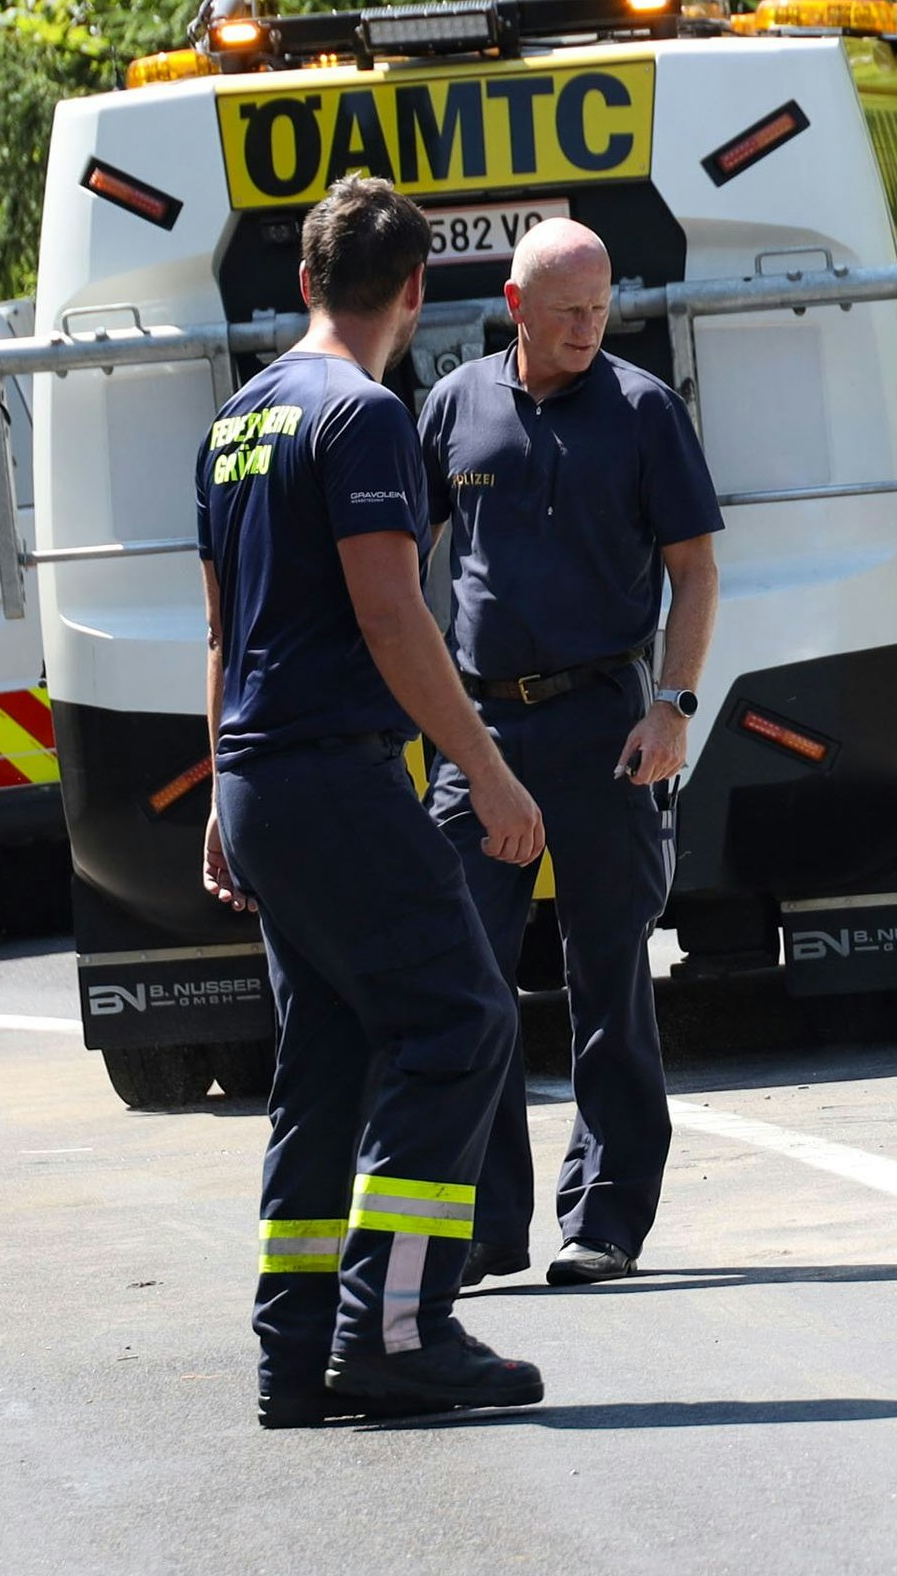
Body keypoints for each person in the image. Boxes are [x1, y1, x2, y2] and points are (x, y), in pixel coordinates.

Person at [201, 175, 553, 1428]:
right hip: (327, 768)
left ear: (304, 280)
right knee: (459, 1020)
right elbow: (392, 613)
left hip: (254, 772)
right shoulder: (359, 418)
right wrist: (492, 768)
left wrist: (217, 792)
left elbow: (221, 628)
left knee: (332, 1053)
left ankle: (296, 1351)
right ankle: (397, 1327)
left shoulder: (236, 420)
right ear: (415, 290)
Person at [421, 216, 721, 1290]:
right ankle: (485, 1225)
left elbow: (694, 568)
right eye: (567, 313)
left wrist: (673, 705)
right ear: (516, 307)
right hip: (482, 730)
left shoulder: (645, 410)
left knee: (608, 973)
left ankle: (605, 1219)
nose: (589, 328)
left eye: (600, 309)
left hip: (605, 723)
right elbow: (403, 560)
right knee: (465, 977)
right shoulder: (455, 403)